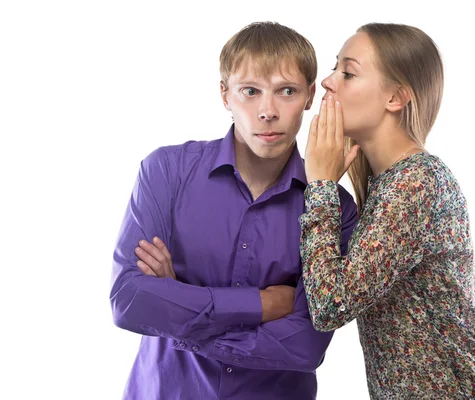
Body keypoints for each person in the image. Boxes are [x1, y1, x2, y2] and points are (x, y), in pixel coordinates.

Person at [110, 21, 358, 400]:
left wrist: (178, 309)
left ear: (310, 96)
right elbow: (130, 300)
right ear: (225, 95)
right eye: (250, 92)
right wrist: (262, 305)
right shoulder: (166, 171)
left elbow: (305, 346)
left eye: (286, 91)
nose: (268, 111)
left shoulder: (333, 209)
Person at [300, 23, 475, 399]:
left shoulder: (417, 183)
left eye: (348, 73)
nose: (327, 82)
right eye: (334, 68)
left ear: (396, 98)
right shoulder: (389, 184)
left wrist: (321, 186)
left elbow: (329, 304)